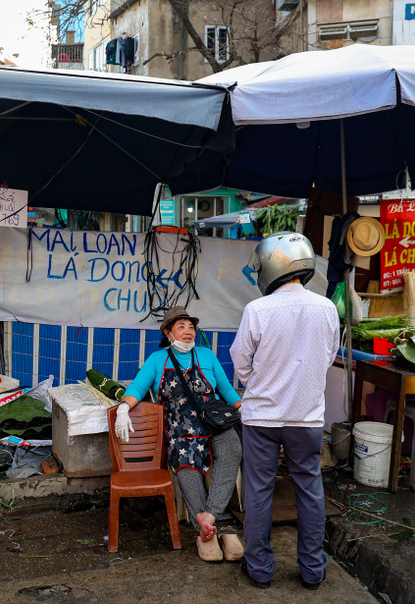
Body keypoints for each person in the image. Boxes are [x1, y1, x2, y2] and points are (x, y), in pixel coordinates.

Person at [230, 232, 340, 590]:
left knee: (259, 491)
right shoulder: (326, 308)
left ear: (272, 267)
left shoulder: (257, 310)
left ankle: (259, 570)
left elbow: (240, 361)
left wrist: (260, 384)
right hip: (306, 418)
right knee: (309, 489)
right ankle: (312, 571)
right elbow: (327, 357)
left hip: (261, 417)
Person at [114, 305, 244, 562]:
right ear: (168, 332)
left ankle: (208, 519)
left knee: (232, 449)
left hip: (213, 422)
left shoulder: (207, 355)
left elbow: (227, 390)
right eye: (181, 327)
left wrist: (243, 408)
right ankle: (210, 532)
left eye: (191, 327)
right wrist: (123, 408)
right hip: (180, 428)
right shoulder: (156, 359)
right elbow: (138, 387)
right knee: (186, 465)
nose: (188, 332)